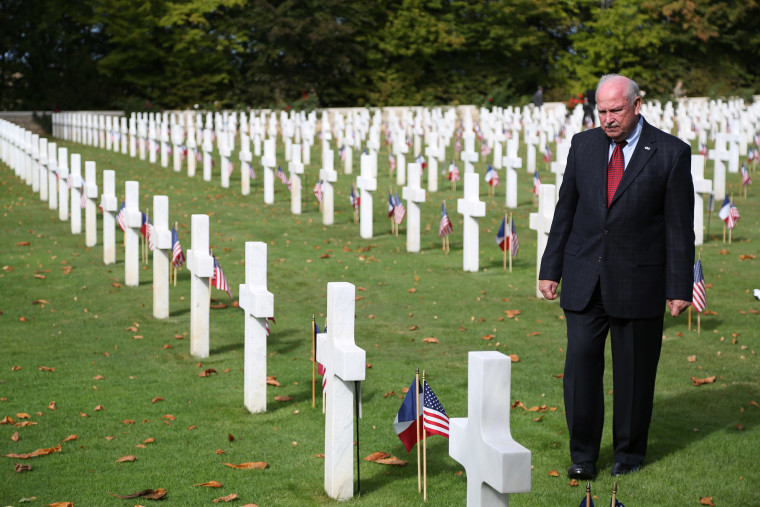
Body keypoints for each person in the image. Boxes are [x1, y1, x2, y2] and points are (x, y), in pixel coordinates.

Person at [538, 74, 694, 480]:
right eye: (601, 111)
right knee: (581, 369)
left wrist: (679, 287)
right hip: (584, 276)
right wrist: (550, 268)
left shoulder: (670, 153)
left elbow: (679, 228)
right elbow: (565, 210)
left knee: (634, 374)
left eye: (615, 111)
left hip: (638, 280)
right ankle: (583, 455)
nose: (607, 119)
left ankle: (628, 453)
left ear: (637, 105)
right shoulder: (583, 145)